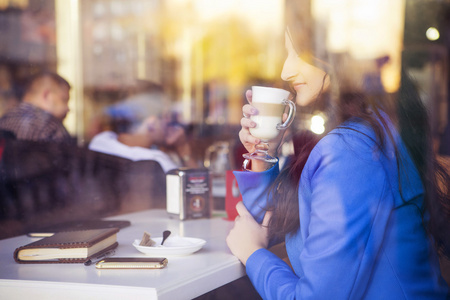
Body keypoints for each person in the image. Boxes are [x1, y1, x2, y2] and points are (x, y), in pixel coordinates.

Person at [226, 19, 450, 300]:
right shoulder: (364, 132)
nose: (285, 70)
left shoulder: (351, 150)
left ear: (334, 59)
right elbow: (264, 223)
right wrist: (264, 151)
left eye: (297, 55)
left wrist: (254, 255)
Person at [89, 107, 198, 173]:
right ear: (151, 122)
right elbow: (198, 186)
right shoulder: (159, 160)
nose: (173, 126)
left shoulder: (100, 141)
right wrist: (183, 148)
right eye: (166, 118)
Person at [0, 71, 72, 142]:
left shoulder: (4, 120)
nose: (68, 108)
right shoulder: (52, 128)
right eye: (64, 100)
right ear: (46, 95)